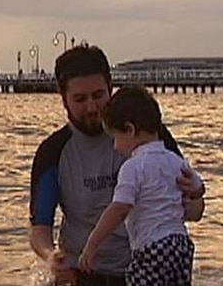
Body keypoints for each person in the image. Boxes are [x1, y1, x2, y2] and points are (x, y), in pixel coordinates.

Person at [28, 45, 205, 286]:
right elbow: (39, 228)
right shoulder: (53, 151)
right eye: (80, 99)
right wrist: (50, 256)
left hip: (149, 270)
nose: (92, 107)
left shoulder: (148, 135)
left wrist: (193, 197)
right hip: (83, 274)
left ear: (111, 89)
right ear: (64, 99)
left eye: (99, 95)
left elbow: (194, 211)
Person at [78, 86, 199, 285]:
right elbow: (197, 187)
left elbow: (119, 209)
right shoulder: (174, 160)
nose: (115, 146)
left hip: (152, 247)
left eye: (116, 137)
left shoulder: (133, 167)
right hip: (182, 246)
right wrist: (195, 191)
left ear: (130, 130)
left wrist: (92, 245)